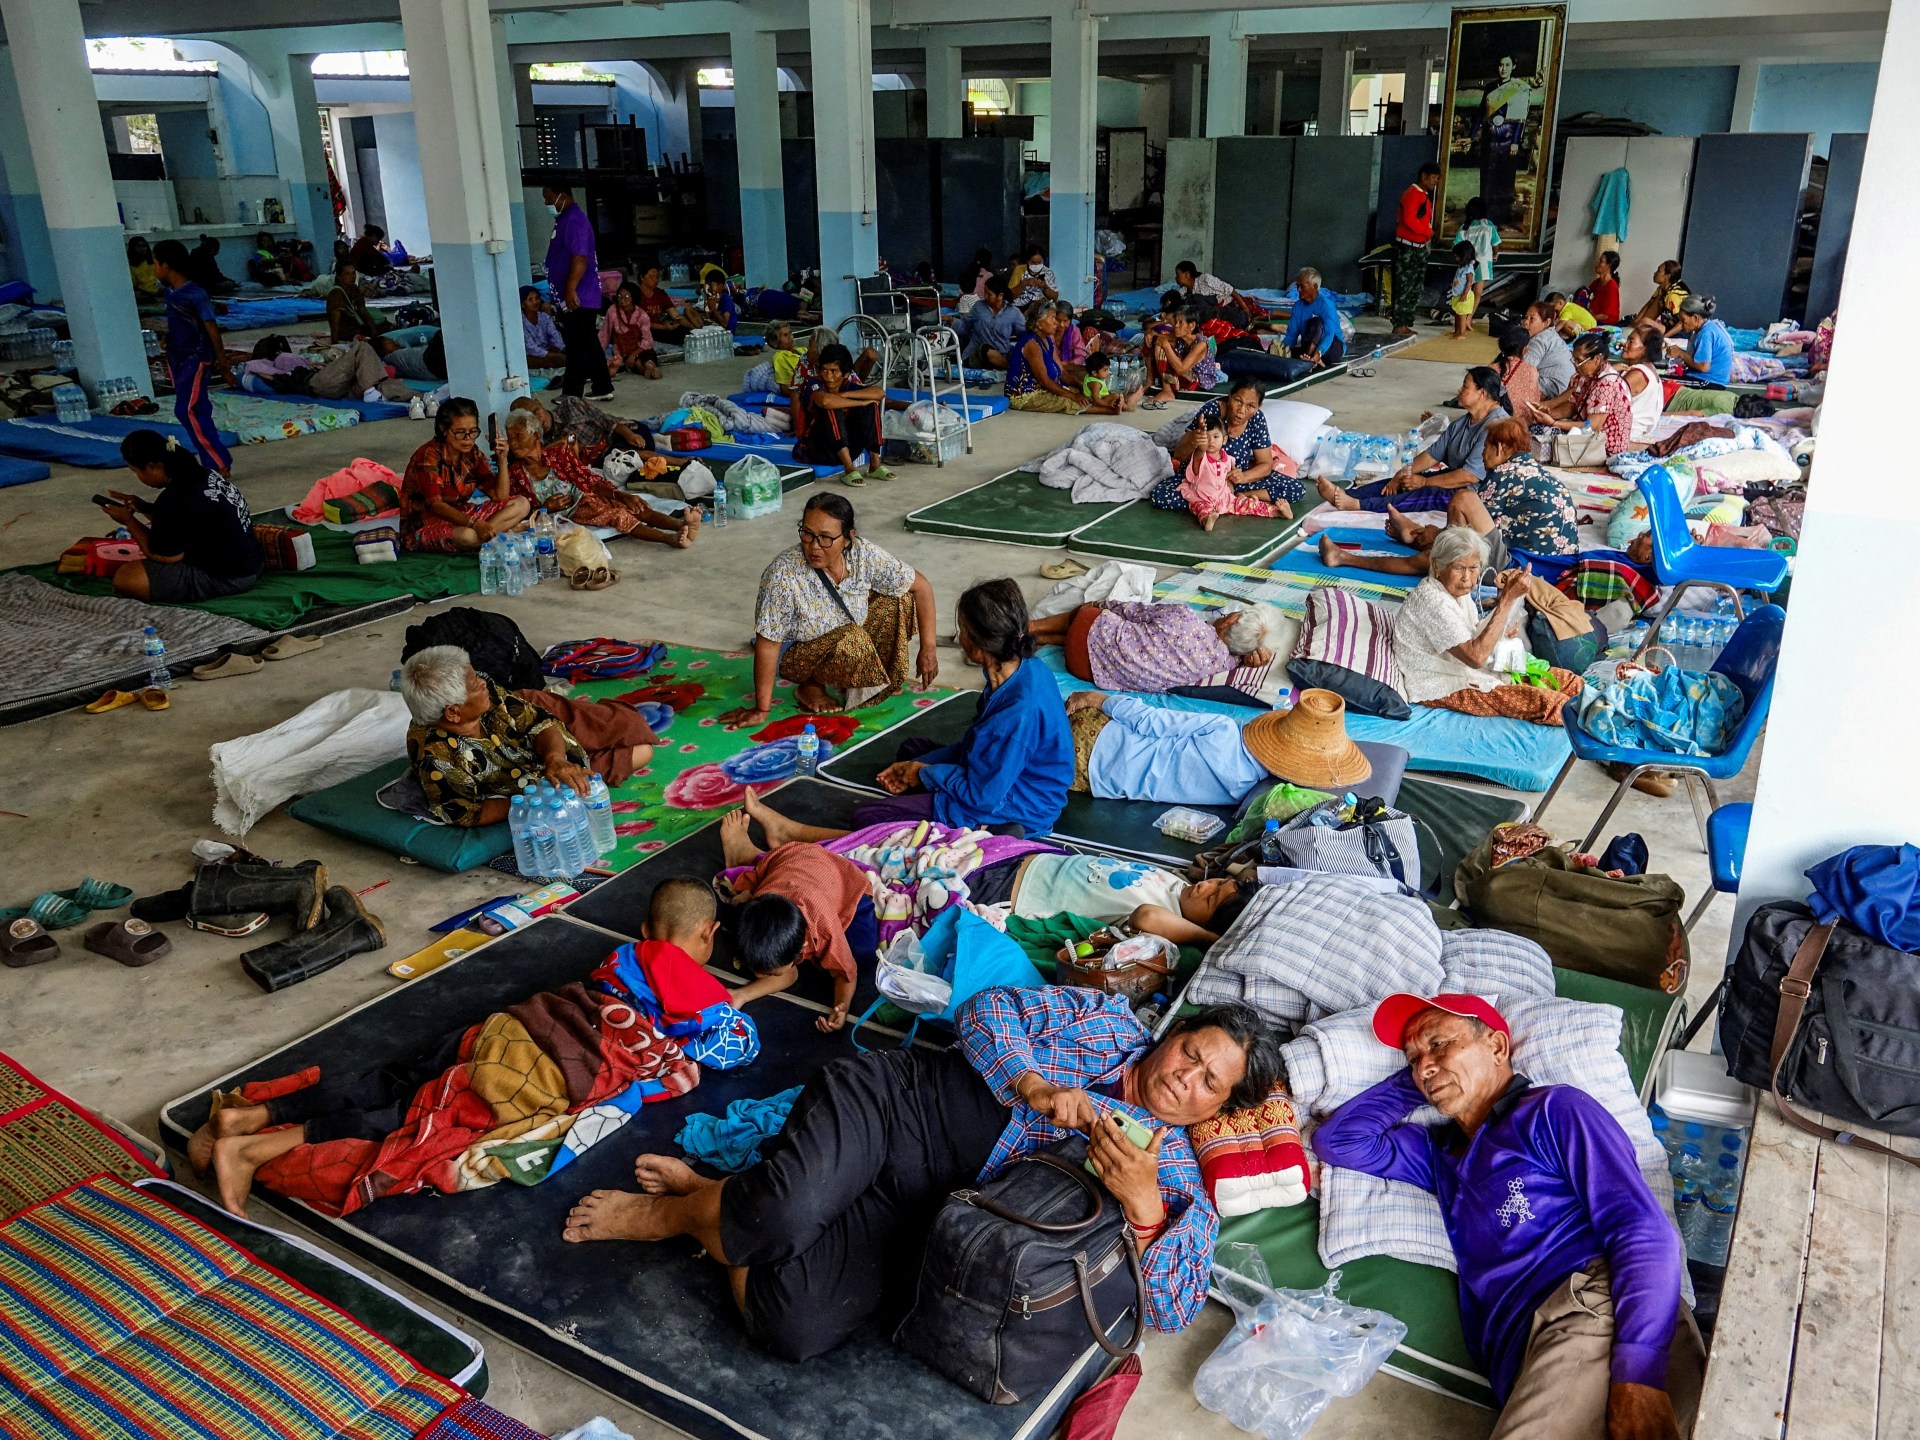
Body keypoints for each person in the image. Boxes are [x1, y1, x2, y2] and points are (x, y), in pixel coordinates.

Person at [560, 986, 1281, 1362]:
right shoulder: (1107, 1025)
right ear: (1173, 1035)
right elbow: (986, 1010)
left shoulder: (1175, 1175)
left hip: (926, 1215)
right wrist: (1031, 1083)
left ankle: (723, 1199)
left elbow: (1174, 1309)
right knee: (780, 1215)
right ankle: (669, 1216)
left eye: (1209, 1082)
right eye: (1190, 1053)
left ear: (1219, 1108)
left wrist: (1144, 1209)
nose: (1185, 1077)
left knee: (791, 1327)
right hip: (893, 1107)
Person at [193, 877, 715, 1215]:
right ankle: (251, 1150)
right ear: (708, 935)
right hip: (527, 1070)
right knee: (403, 1119)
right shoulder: (695, 1005)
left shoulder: (619, 960)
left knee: (388, 1080)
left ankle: (255, 1116)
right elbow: (705, 1059)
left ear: (644, 931)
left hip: (501, 1028)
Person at [1313, 993, 1701, 1440]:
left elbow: (1641, 1229)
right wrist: (1430, 1072)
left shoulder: (1552, 1111)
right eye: (1412, 1058)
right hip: (1529, 1356)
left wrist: (1639, 1377)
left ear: (1498, 1046)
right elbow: (1338, 1141)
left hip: (1597, 1311)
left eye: (1439, 1043)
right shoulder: (1441, 1156)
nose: (1423, 1067)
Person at [721, 493, 938, 725]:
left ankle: (863, 677)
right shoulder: (782, 574)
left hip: (848, 634)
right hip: (798, 655)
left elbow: (921, 587)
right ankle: (810, 684)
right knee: (853, 638)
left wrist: (928, 648)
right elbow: (768, 644)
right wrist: (761, 709)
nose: (814, 546)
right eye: (807, 534)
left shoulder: (863, 554)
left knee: (899, 598)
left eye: (825, 538)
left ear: (848, 538)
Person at [399, 645, 665, 828]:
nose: (482, 682)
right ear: (453, 713)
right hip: (530, 775)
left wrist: (556, 760)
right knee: (641, 752)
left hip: (535, 717)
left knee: (628, 723)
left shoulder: (487, 693)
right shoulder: (439, 759)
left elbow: (541, 722)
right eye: (474, 686)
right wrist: (539, 798)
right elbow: (468, 813)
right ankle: (580, 766)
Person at [1317, 419, 1577, 579]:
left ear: (1499, 448)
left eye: (1486, 447)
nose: (1482, 454)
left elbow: (1467, 534)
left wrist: (1435, 537)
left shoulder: (1506, 474)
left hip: (1521, 572)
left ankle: (1345, 558)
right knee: (1450, 537)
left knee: (1460, 506)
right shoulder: (1534, 471)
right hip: (1549, 566)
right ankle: (1416, 535)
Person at [1391, 528, 1581, 725]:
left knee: (1570, 682)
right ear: (1436, 565)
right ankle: (1598, 727)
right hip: (1442, 683)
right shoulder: (1432, 601)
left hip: (1468, 669)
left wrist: (1501, 629)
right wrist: (1507, 600)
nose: (1466, 577)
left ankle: (1602, 714)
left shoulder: (1457, 593)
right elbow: (1476, 658)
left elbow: (1471, 632)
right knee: (1553, 705)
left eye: (1473, 568)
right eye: (1458, 568)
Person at [1060, 685, 1372, 805]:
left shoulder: (1223, 730)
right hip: (1089, 780)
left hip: (1096, 739)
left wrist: (1100, 698)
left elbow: (1152, 721)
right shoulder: (1243, 795)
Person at [718, 826, 876, 1032]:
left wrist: (842, 1006)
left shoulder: (825, 929)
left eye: (770, 973)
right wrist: (741, 994)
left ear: (802, 946)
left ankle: (746, 854)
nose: (760, 976)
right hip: (790, 855)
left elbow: (846, 973)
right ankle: (746, 854)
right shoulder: (758, 908)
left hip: (842, 877)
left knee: (863, 953)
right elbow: (789, 974)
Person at [96, 430, 262, 603]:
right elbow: (180, 521)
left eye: (136, 471)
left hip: (229, 578)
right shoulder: (204, 474)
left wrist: (128, 521)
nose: (138, 477)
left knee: (128, 577)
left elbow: (164, 556)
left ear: (152, 466)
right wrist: (144, 507)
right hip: (252, 563)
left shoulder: (174, 498)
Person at [1316, 366, 1510, 514]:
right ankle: (1348, 495)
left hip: (1477, 493)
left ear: (1482, 393)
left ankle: (1358, 505)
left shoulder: (1496, 425)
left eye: (1465, 386)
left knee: (1425, 494)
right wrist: (1400, 475)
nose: (1459, 390)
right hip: (1458, 480)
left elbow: (1470, 476)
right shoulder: (1463, 422)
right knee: (1405, 481)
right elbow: (1432, 455)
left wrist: (1425, 482)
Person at [499, 409, 697, 548]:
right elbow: (517, 509)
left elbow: (588, 479)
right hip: (573, 509)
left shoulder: (557, 454)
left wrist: (620, 495)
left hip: (585, 495)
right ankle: (669, 539)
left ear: (536, 437)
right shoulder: (515, 473)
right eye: (510, 437)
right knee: (617, 515)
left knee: (633, 504)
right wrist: (546, 508)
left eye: (518, 436)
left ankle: (681, 525)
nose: (513, 443)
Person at [1028, 600, 1281, 692]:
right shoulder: (1223, 666)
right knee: (1113, 640)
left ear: (1230, 620)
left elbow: (1127, 609)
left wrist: (1097, 604)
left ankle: (1031, 627)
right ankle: (1042, 639)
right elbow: (1242, 659)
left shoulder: (1184, 616)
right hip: (1087, 671)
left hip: (1085, 632)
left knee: (1095, 615)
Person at [151, 238, 238, 478]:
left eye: (155, 263)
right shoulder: (171, 294)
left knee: (187, 410)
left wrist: (222, 363)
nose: (153, 269)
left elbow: (211, 329)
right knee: (194, 409)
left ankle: (218, 461)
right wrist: (168, 339)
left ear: (166, 265)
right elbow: (181, 324)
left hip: (196, 359)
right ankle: (213, 462)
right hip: (177, 358)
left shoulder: (196, 294)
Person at [399, 398, 531, 553]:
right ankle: (504, 531)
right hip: (425, 523)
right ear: (443, 430)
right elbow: (436, 505)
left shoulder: (472, 454)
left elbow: (500, 496)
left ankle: (491, 533)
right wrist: (475, 523)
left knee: (522, 504)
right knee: (467, 536)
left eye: (473, 432)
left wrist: (502, 460)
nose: (468, 439)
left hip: (463, 515)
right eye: (460, 432)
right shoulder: (428, 455)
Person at [542, 183, 613, 401]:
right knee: (588, 341)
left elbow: (580, 258)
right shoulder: (564, 220)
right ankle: (602, 386)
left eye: (548, 197)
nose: (546, 203)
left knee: (576, 345)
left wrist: (571, 288)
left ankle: (571, 395)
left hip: (579, 295)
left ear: (562, 196)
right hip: (575, 294)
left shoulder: (575, 220)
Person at [792, 343, 892, 482]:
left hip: (847, 448)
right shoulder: (814, 383)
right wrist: (860, 402)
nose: (828, 376)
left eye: (834, 371)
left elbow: (880, 393)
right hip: (816, 449)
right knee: (831, 407)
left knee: (871, 405)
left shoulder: (847, 385)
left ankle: (875, 464)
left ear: (846, 374)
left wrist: (845, 395)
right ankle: (849, 468)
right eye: (824, 370)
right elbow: (825, 401)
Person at [1529, 332, 1638, 457]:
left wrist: (1553, 423)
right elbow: (1573, 406)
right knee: (1535, 427)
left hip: (1604, 446)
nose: (1575, 365)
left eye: (1579, 361)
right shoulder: (1586, 375)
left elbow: (1593, 426)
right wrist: (1548, 414)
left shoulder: (1607, 383)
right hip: (1588, 435)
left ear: (1597, 359)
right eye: (1574, 360)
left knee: (1542, 434)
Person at [1179, 412, 1281, 533]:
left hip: (1224, 499)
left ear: (1224, 439)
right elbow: (1201, 449)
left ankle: (1276, 511)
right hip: (1202, 498)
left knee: (1246, 504)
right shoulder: (1200, 457)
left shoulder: (1228, 459)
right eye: (1206, 437)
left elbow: (1229, 477)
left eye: (1216, 436)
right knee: (1202, 509)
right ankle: (1207, 520)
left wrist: (1233, 485)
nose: (1210, 441)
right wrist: (1201, 431)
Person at [1478, 54, 1537, 228]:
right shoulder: (1490, 87)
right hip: (1490, 138)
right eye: (1500, 65)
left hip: (1508, 139)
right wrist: (1473, 134)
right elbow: (1481, 113)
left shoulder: (1519, 88)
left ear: (1513, 67)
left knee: (1503, 179)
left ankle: (1501, 217)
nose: (1503, 69)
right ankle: (1485, 215)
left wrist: (1515, 141)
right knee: (1488, 177)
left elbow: (1520, 119)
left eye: (1507, 65)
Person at [510, 394, 652, 466]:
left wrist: (630, 435)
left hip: (619, 435)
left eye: (536, 411)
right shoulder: (537, 441)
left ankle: (661, 455)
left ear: (539, 403)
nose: (538, 419)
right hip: (604, 459)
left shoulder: (571, 405)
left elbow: (608, 422)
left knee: (633, 453)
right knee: (624, 463)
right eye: (530, 420)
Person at [1005, 306, 1088, 414]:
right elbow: (1044, 381)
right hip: (1025, 394)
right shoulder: (1032, 344)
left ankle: (1101, 404)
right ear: (1039, 324)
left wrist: (1079, 385)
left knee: (1082, 392)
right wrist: (1073, 396)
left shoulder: (1047, 339)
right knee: (1071, 402)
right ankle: (1107, 409)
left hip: (1042, 388)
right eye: (1052, 318)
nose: (1056, 323)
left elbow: (1061, 371)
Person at [1392, 162, 1441, 335]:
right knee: (1405, 286)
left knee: (1414, 287)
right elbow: (1409, 219)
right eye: (1434, 177)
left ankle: (1405, 323)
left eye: (1437, 178)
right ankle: (1399, 324)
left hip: (1418, 247)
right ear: (1424, 176)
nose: (1435, 181)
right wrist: (1428, 232)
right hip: (1408, 247)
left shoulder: (1422, 195)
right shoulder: (1413, 194)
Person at [1146, 306, 1221, 403]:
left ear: (1192, 326)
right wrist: (1150, 333)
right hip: (1184, 378)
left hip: (1198, 384)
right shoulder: (1181, 336)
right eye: (1176, 322)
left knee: (1162, 346)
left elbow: (1180, 369)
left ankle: (1168, 392)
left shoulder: (1201, 344)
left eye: (1180, 322)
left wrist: (1166, 345)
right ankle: (1150, 383)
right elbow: (1159, 337)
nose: (1176, 326)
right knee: (1156, 343)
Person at [1617, 323, 1670, 442]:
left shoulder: (1638, 374)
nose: (1625, 344)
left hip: (1628, 434)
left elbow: (1607, 397)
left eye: (1631, 342)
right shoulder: (1648, 367)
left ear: (1644, 349)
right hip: (1634, 431)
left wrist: (1610, 372)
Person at [1283, 267, 1345, 367]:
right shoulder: (1297, 307)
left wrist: (1319, 351)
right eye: (1297, 286)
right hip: (1308, 349)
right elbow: (1291, 336)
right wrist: (1282, 348)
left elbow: (1329, 334)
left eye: (1302, 286)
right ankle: (1312, 360)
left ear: (1315, 287)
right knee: (1283, 352)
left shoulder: (1326, 305)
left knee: (1317, 322)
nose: (1298, 289)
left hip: (1331, 347)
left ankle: (1313, 359)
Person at [1667, 296, 1732, 388]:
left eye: (1683, 320)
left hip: (1708, 381)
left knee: (1663, 382)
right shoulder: (1708, 327)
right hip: (1710, 379)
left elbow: (1703, 366)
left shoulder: (1705, 333)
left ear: (1695, 318)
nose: (1681, 324)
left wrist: (1681, 353)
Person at [599, 282, 659, 379]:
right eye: (620, 297)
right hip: (622, 351)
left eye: (627, 297)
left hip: (640, 350)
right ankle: (646, 369)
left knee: (646, 357)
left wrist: (634, 355)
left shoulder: (642, 315)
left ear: (634, 298)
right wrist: (598, 353)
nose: (622, 301)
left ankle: (649, 366)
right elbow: (605, 333)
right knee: (634, 363)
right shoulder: (612, 311)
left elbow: (647, 341)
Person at [1172, 261, 1255, 329]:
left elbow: (1230, 289)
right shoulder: (1183, 292)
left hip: (1225, 309)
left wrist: (1244, 307)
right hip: (1210, 314)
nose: (1176, 278)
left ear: (1187, 274)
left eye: (1177, 274)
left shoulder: (1205, 279)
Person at [325, 260, 390, 344]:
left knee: (387, 327)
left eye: (353, 273)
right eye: (347, 274)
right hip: (346, 334)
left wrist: (374, 331)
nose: (352, 277)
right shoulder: (336, 293)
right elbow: (335, 322)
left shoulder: (354, 289)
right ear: (339, 276)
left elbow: (362, 310)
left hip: (357, 328)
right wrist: (335, 343)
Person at [1518, 300, 1574, 398]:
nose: (1526, 322)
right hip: (1566, 384)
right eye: (1526, 318)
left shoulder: (1540, 340)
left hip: (1554, 387)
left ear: (1546, 322)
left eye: (1532, 319)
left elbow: (1524, 369)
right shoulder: (1550, 334)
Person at [1456, 196, 1501, 311]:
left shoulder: (1464, 227)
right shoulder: (1489, 225)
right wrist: (1495, 255)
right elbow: (1496, 244)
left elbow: (1456, 245)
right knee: (1477, 293)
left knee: (1465, 290)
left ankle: (1462, 314)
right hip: (1483, 263)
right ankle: (1469, 317)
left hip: (1466, 263)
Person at [1491, 322, 1541, 419]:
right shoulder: (1531, 370)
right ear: (1524, 350)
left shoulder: (1490, 369)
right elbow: (1534, 403)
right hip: (1519, 423)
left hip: (1492, 421)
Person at [634, 265, 695, 341]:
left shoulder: (660, 293)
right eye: (651, 277)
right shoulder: (634, 294)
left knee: (685, 331)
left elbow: (675, 315)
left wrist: (692, 328)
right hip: (642, 328)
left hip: (658, 326)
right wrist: (663, 327)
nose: (655, 280)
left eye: (657, 277)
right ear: (642, 277)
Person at [1632, 260, 1688, 331]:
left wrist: (1665, 336)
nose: (1654, 273)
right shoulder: (1661, 289)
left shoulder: (1673, 295)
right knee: (1658, 300)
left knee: (1645, 322)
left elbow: (1681, 323)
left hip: (1678, 331)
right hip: (1666, 326)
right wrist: (1635, 322)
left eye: (1658, 271)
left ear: (1667, 276)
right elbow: (1649, 304)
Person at [520, 286, 567, 370]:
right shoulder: (520, 323)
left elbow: (554, 336)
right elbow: (531, 348)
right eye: (530, 299)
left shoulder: (544, 317)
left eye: (537, 298)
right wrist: (553, 355)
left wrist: (562, 349)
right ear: (523, 304)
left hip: (548, 352)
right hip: (531, 356)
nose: (535, 302)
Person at [1008, 245, 1058, 313]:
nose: (1037, 265)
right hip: (1020, 307)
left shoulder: (1048, 273)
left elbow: (1054, 298)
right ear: (1027, 261)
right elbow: (1009, 296)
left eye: (1039, 262)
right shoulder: (1019, 270)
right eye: (1033, 263)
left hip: (1040, 309)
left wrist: (1045, 287)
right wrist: (1025, 283)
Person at [1577, 250, 1622, 325]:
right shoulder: (1596, 283)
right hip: (1592, 319)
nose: (1597, 264)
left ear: (1608, 266)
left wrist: (1584, 319)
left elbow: (1605, 316)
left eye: (1601, 261)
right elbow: (1586, 298)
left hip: (1605, 324)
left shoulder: (1612, 286)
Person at [1447, 241, 1480, 337]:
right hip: (1458, 294)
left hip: (1464, 296)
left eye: (1457, 256)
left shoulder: (1469, 268)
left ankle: (1462, 334)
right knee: (1457, 314)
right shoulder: (1462, 266)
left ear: (1464, 256)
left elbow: (1469, 282)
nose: (1456, 258)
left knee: (1462, 316)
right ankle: (1456, 331)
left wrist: (1465, 294)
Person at [126, 235, 159, 302]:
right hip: (143, 294)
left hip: (157, 291)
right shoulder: (130, 267)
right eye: (139, 246)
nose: (142, 249)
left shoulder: (153, 263)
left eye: (144, 246)